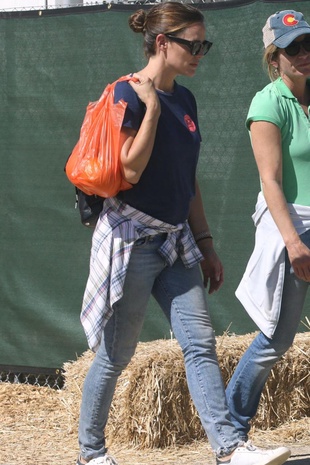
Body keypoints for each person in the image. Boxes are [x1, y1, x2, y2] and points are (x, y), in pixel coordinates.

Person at [76, 3, 291, 465]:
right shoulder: (127, 94)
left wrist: (207, 243)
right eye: (193, 45)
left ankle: (229, 449)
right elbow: (131, 170)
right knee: (116, 356)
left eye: (203, 45)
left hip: (176, 244)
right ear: (162, 43)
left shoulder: (187, 99)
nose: (200, 53)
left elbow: (186, 176)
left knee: (200, 345)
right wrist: (152, 107)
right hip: (132, 243)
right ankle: (91, 454)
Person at [226, 9, 310, 443]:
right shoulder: (267, 102)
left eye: (309, 43)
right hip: (294, 226)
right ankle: (231, 432)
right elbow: (270, 181)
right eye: (293, 47)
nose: (304, 53)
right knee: (277, 342)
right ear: (274, 56)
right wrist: (294, 241)